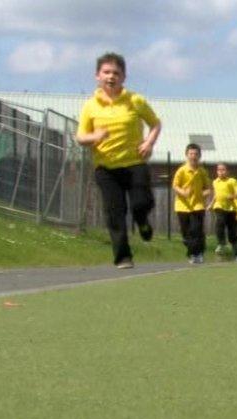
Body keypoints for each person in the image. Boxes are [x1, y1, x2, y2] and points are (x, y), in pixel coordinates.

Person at [75, 52, 161, 269]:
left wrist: (149, 143)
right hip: (106, 167)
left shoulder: (135, 101)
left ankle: (142, 220)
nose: (111, 77)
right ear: (97, 76)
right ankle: (123, 256)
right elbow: (80, 137)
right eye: (106, 72)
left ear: (123, 77)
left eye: (116, 73)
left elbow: (155, 124)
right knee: (115, 211)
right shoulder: (90, 106)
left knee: (142, 202)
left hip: (134, 163)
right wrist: (94, 137)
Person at [172, 143, 211, 264]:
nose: (193, 156)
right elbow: (175, 185)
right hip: (182, 206)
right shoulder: (182, 171)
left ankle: (196, 254)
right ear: (186, 155)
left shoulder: (202, 172)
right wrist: (183, 193)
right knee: (186, 233)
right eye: (191, 154)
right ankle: (194, 250)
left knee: (196, 230)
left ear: (199, 156)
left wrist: (203, 194)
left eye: (196, 154)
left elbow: (208, 188)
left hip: (197, 206)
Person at [210, 163, 237, 261]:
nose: (220, 172)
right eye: (219, 170)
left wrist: (233, 196)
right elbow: (215, 195)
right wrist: (210, 204)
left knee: (233, 233)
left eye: (223, 170)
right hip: (219, 207)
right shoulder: (215, 182)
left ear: (227, 171)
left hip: (232, 209)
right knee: (219, 222)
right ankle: (221, 243)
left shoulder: (232, 181)